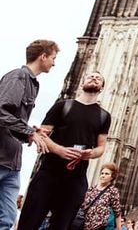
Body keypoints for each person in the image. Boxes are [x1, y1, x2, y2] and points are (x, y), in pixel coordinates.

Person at [18, 71, 112, 230]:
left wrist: (90, 154)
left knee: (62, 226)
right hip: (49, 173)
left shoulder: (104, 116)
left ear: (102, 88)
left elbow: (101, 147)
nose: (94, 78)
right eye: (91, 76)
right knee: (29, 222)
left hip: (76, 178)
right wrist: (60, 150)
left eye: (99, 78)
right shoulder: (63, 106)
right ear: (82, 83)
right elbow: (42, 134)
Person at [0, 40, 57, 228]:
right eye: (53, 58)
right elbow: (2, 112)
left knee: (7, 219)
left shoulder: (33, 84)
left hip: (12, 161)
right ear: (43, 56)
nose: (54, 63)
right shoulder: (18, 77)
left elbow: (13, 120)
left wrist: (31, 131)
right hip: (1, 157)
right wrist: (29, 133)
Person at [80, 162, 123, 230]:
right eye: (102, 173)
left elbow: (117, 212)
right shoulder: (92, 188)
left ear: (112, 176)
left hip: (98, 227)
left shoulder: (113, 191)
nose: (103, 175)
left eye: (107, 174)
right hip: (83, 225)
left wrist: (118, 228)